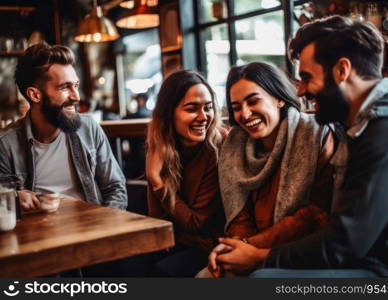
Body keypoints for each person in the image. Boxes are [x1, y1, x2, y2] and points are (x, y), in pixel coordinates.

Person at [217, 16, 388, 278]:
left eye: (307, 78)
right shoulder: (361, 123)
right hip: (359, 261)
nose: (299, 91)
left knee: (262, 280)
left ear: (341, 71)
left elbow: (346, 242)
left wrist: (260, 258)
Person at [205, 62, 335, 277]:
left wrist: (248, 246)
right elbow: (239, 215)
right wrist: (236, 248)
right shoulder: (233, 146)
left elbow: (314, 215)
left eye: (253, 101)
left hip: (298, 254)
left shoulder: (315, 135)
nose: (245, 114)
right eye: (236, 107)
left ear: (279, 98)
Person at [0, 42, 127, 212]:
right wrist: (15, 198)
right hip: (38, 235)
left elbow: (116, 188)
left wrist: (105, 227)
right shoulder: (6, 144)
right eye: (65, 87)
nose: (76, 97)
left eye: (75, 85)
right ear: (35, 95)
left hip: (94, 228)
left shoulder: (88, 128)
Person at [146, 70, 225, 277]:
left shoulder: (217, 147)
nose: (203, 117)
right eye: (191, 109)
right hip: (178, 239)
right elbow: (158, 218)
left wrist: (158, 183)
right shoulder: (160, 146)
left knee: (161, 272)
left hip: (212, 244)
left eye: (208, 108)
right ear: (169, 113)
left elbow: (197, 223)